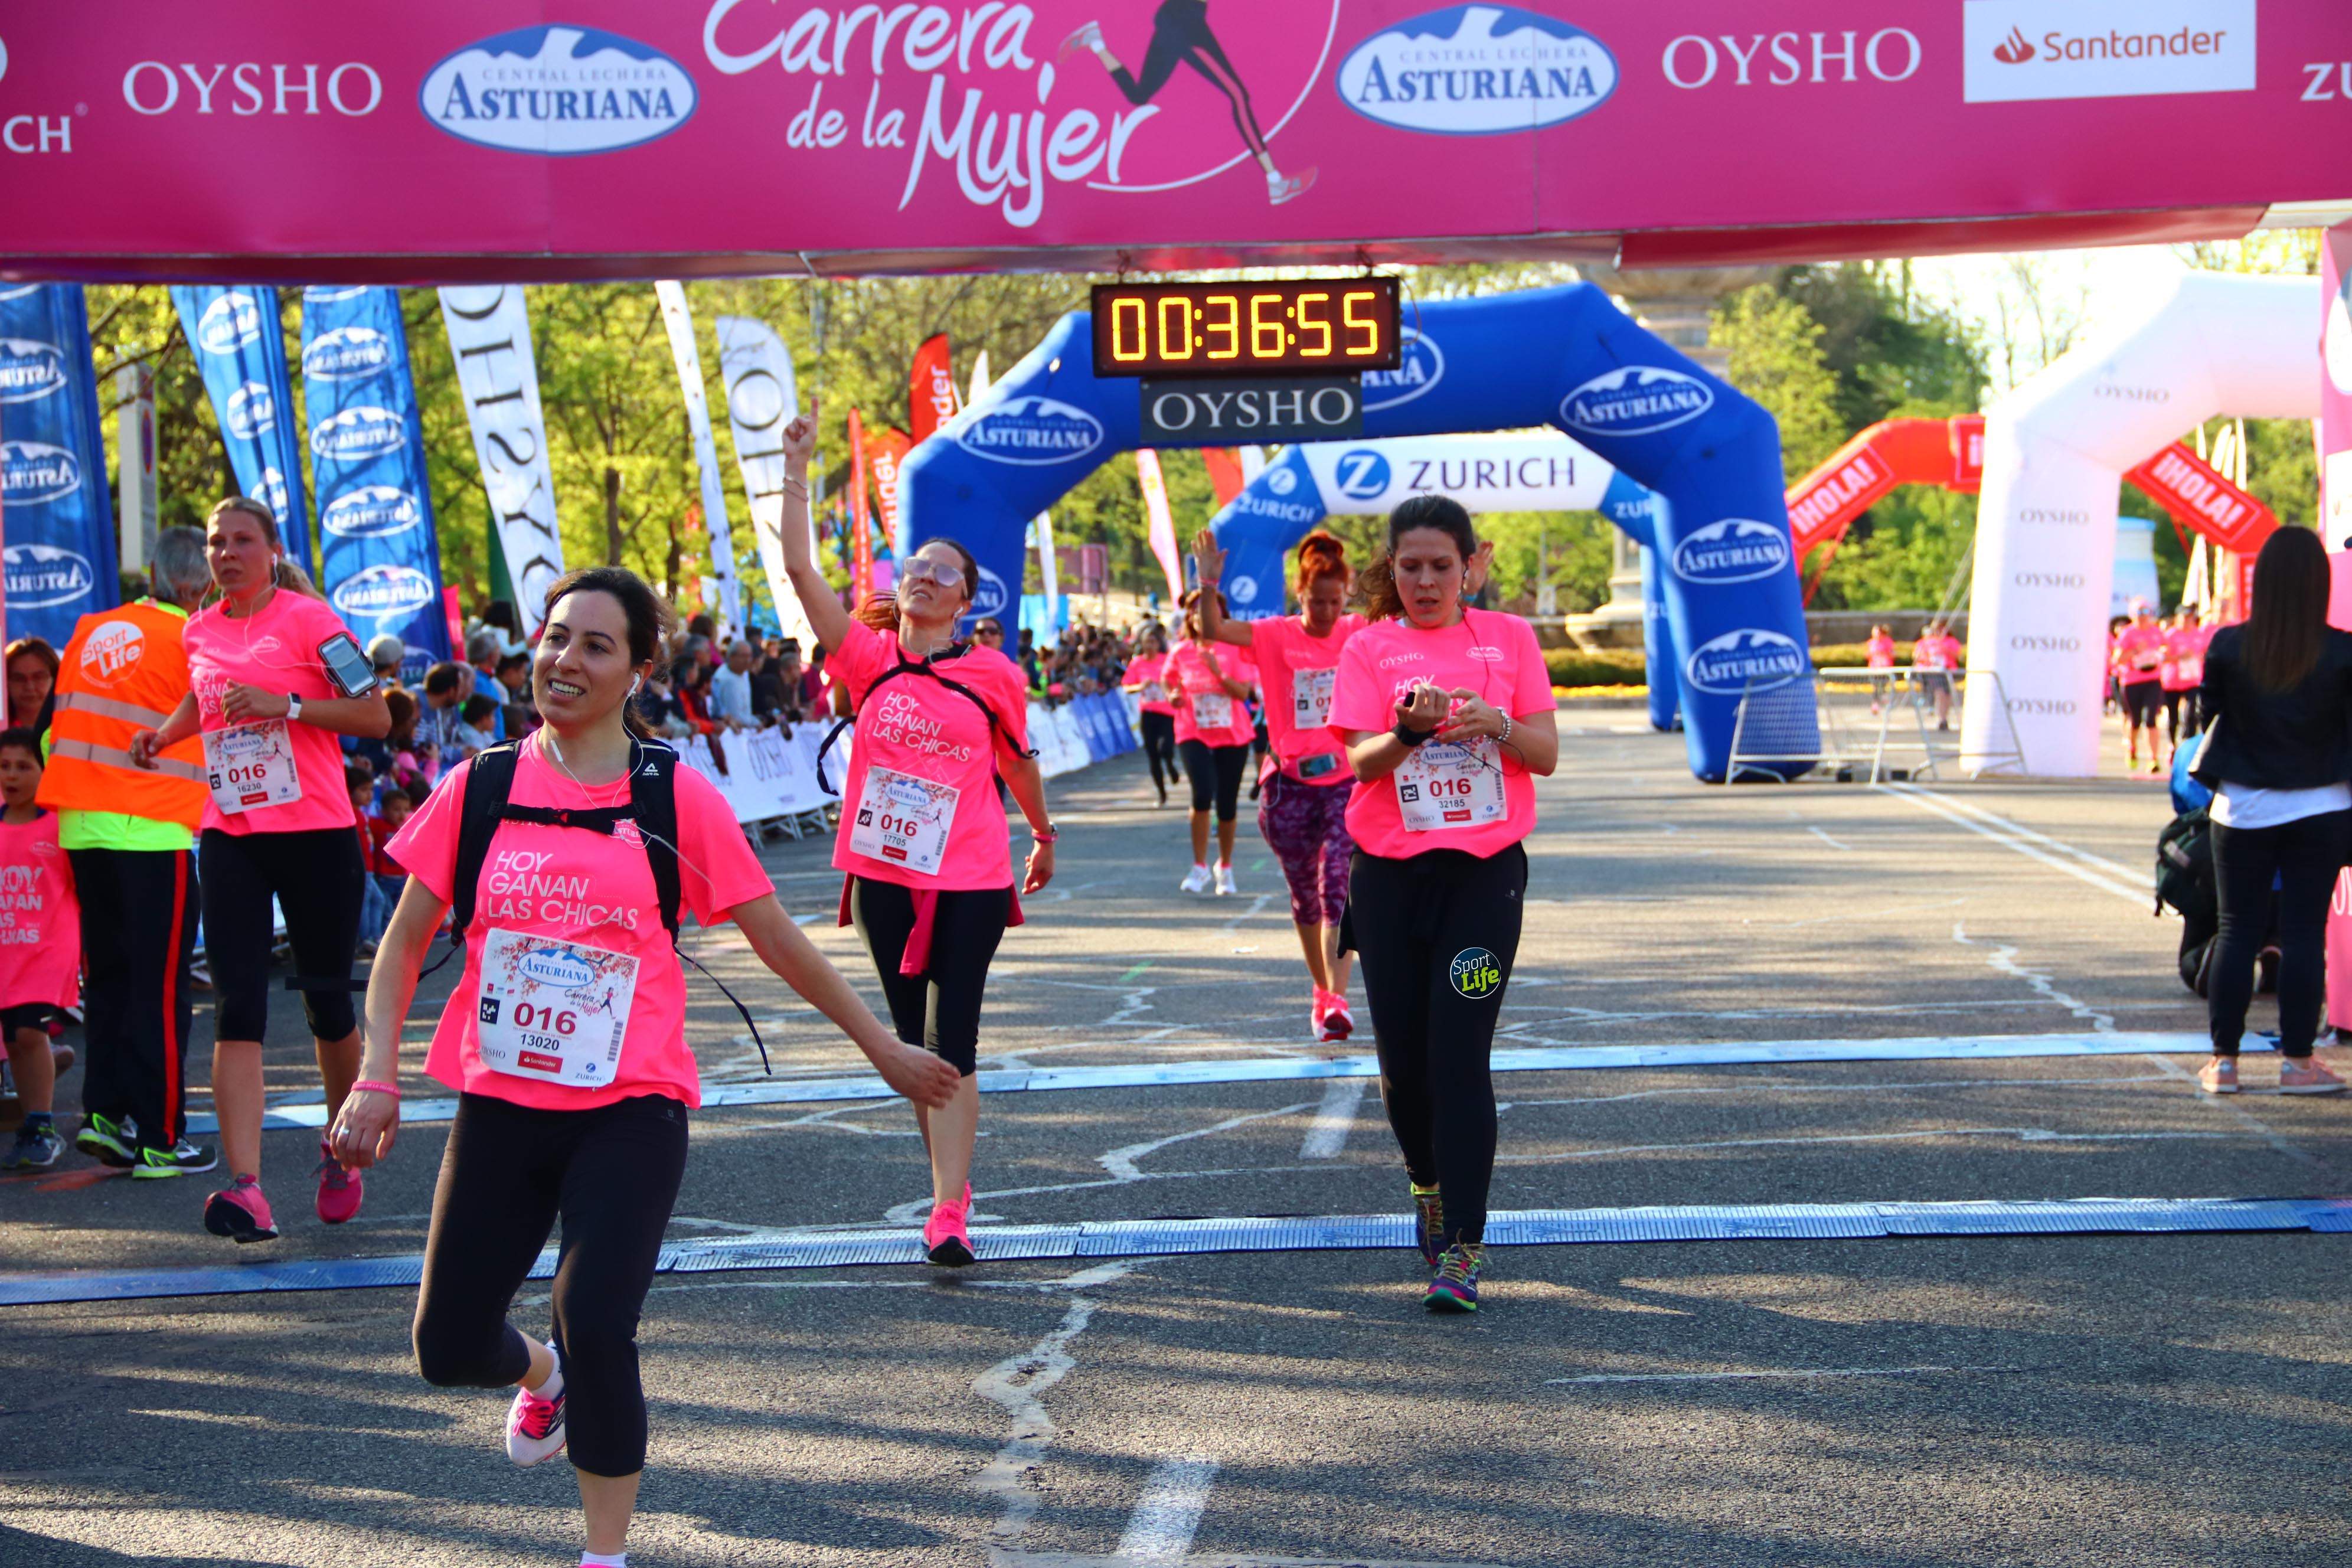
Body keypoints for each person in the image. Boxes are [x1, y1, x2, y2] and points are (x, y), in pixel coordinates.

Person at [329, 566, 957, 1568]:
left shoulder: (673, 794)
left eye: (594, 645)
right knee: (447, 1348)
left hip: (631, 1106)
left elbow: (775, 938)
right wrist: (376, 1073)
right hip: (501, 1102)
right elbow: (403, 945)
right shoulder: (478, 786)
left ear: (636, 670)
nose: (563, 660)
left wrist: (878, 1044)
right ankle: (543, 1377)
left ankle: (603, 1554)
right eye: (553, 637)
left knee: (596, 1319)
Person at [776, 405, 1056, 1269]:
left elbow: (1017, 765)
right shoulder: (867, 660)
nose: (928, 577)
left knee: (952, 1037)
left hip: (970, 875)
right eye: (918, 567)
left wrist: (1043, 834)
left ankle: (948, 1210)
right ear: (900, 589)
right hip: (884, 878)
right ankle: (950, 1181)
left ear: (968, 602)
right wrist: (796, 467)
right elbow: (795, 565)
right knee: (910, 1049)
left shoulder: (994, 675)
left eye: (947, 572)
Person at [129, 496, 391, 1243]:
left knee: (327, 1007)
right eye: (217, 542)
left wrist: (289, 706)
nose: (227, 553)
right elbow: (204, 692)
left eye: (243, 540)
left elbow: (373, 717)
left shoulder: (312, 621)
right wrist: (168, 732)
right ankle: (246, 1189)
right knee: (237, 1003)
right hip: (233, 833)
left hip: (317, 835)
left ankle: (341, 1153)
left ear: (272, 550)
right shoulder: (198, 628)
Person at [1329, 495, 1559, 1313]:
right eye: (1410, 566)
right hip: (1389, 879)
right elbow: (1358, 763)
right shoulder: (1368, 647)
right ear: (1391, 569)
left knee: (1461, 1056)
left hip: (1484, 877)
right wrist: (1411, 734)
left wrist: (1496, 725)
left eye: (1441, 566)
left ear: (1473, 565)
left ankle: (1462, 1243)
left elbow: (1548, 755)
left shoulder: (1511, 640)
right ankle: (1426, 1183)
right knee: (1405, 1064)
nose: (1426, 580)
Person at [41, 525, 215, 1178]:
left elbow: (54, 729)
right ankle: (161, 1137)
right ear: (196, 586)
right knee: (163, 986)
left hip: (84, 825)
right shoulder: (194, 637)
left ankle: (104, 1117)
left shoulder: (90, 629)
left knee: (110, 979)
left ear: (152, 572)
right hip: (152, 826)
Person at [2188, 528, 2352, 1097]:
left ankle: (2223, 1065)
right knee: (2306, 932)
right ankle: (2299, 1064)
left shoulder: (2229, 645)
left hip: (2242, 805)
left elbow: (2207, 715)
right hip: (2323, 803)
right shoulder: (2343, 651)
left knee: (2237, 930)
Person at [1193, 528, 1363, 1041]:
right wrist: (1207, 580)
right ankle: (1321, 990)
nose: (1327, 612)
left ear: (1346, 597)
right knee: (1304, 900)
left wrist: (1465, 591)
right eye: (1317, 601)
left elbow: (1419, 625)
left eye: (1335, 602)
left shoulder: (1357, 631)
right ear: (1299, 594)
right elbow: (1214, 627)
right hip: (1288, 785)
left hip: (1344, 782)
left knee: (1338, 886)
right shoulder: (1274, 634)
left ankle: (1338, 998)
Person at [1059, 4, 1312, 205]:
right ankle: (1275, 181)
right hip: (1185, 21)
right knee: (1238, 95)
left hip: (1174, 19)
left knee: (1139, 96)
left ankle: (1095, 42)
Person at [0, 730, 80, 1169]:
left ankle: (43, 1125)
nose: (12, 775)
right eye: (5, 766)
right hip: (6, 956)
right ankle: (32, 1126)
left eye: (23, 766)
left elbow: (77, 891)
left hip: (48, 953)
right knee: (15, 1039)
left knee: (30, 1033)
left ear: (43, 771)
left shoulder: (57, 826)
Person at [1167, 590, 1256, 894]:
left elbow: (1244, 694)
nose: (1203, 617)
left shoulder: (1234, 649)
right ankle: (1199, 866)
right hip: (1193, 732)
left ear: (1221, 617)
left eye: (1212, 612)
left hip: (1232, 734)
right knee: (1202, 793)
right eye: (1197, 612)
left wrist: (1217, 672)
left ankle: (1226, 866)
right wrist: (1175, 697)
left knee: (1227, 804)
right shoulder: (1180, 652)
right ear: (1191, 618)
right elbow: (1172, 687)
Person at [1121, 622, 1180, 807]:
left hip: (1168, 713)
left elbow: (1179, 679)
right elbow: (1126, 687)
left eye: (1153, 642)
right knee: (1153, 754)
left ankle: (1170, 765)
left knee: (1166, 749)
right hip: (1148, 713)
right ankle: (1162, 793)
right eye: (1147, 642)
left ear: (1159, 643)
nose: (1150, 645)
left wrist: (1171, 690)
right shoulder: (1137, 663)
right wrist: (1141, 687)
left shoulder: (1167, 660)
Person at [2113, 601, 2166, 773]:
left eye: (2146, 611)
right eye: (2139, 611)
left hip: (2153, 679)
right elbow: (2117, 660)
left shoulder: (2156, 631)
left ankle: (2153, 758)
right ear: (2133, 614)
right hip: (2132, 681)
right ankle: (2133, 748)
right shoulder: (2128, 633)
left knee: (2151, 719)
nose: (2143, 615)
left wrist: (2162, 654)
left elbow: (2165, 648)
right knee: (2135, 721)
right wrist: (2135, 651)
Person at [2161, 606, 2208, 757]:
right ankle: (2172, 744)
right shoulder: (2170, 635)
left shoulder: (2198, 634)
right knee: (2173, 715)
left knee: (2191, 712)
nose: (2187, 621)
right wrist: (2179, 657)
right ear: (2177, 618)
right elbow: (2161, 657)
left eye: (2190, 618)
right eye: (2184, 618)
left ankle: (2189, 744)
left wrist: (2200, 657)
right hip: (2173, 681)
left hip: (2192, 680)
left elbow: (2205, 653)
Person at [1910, 619, 1957, 731]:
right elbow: (1917, 655)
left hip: (1948, 670)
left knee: (1947, 696)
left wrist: (1945, 650)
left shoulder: (1950, 641)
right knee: (1939, 693)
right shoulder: (1927, 642)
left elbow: (1956, 654)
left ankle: (1944, 717)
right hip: (1934, 672)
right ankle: (1941, 719)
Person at [6, 637, 58, 734]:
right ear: (6, 683)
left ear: (55, 679)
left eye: (39, 677)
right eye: (19, 679)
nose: (30, 687)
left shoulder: (71, 730)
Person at [707, 639, 756, 730]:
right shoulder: (727, 679)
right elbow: (735, 714)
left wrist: (755, 721)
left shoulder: (742, 673)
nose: (748, 660)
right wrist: (754, 723)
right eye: (744, 656)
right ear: (732, 657)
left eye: (750, 656)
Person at [1865, 623, 1895, 716]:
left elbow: (1893, 654)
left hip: (1885, 669)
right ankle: (1875, 705)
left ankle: (1886, 702)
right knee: (1875, 687)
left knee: (1882, 687)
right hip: (1874, 669)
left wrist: (1884, 654)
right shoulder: (1871, 643)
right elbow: (1868, 655)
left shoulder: (1887, 641)